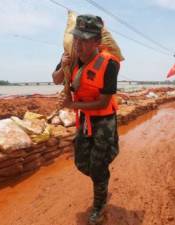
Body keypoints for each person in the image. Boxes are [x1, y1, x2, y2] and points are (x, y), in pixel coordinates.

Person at [52, 14, 120, 225]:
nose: (79, 44)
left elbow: (102, 102)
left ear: (97, 42)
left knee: (97, 166)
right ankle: (103, 171)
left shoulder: (109, 64)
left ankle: (98, 207)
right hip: (84, 120)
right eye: (77, 38)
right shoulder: (71, 57)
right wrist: (62, 66)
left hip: (104, 121)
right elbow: (55, 80)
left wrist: (72, 106)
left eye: (84, 40)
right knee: (83, 164)